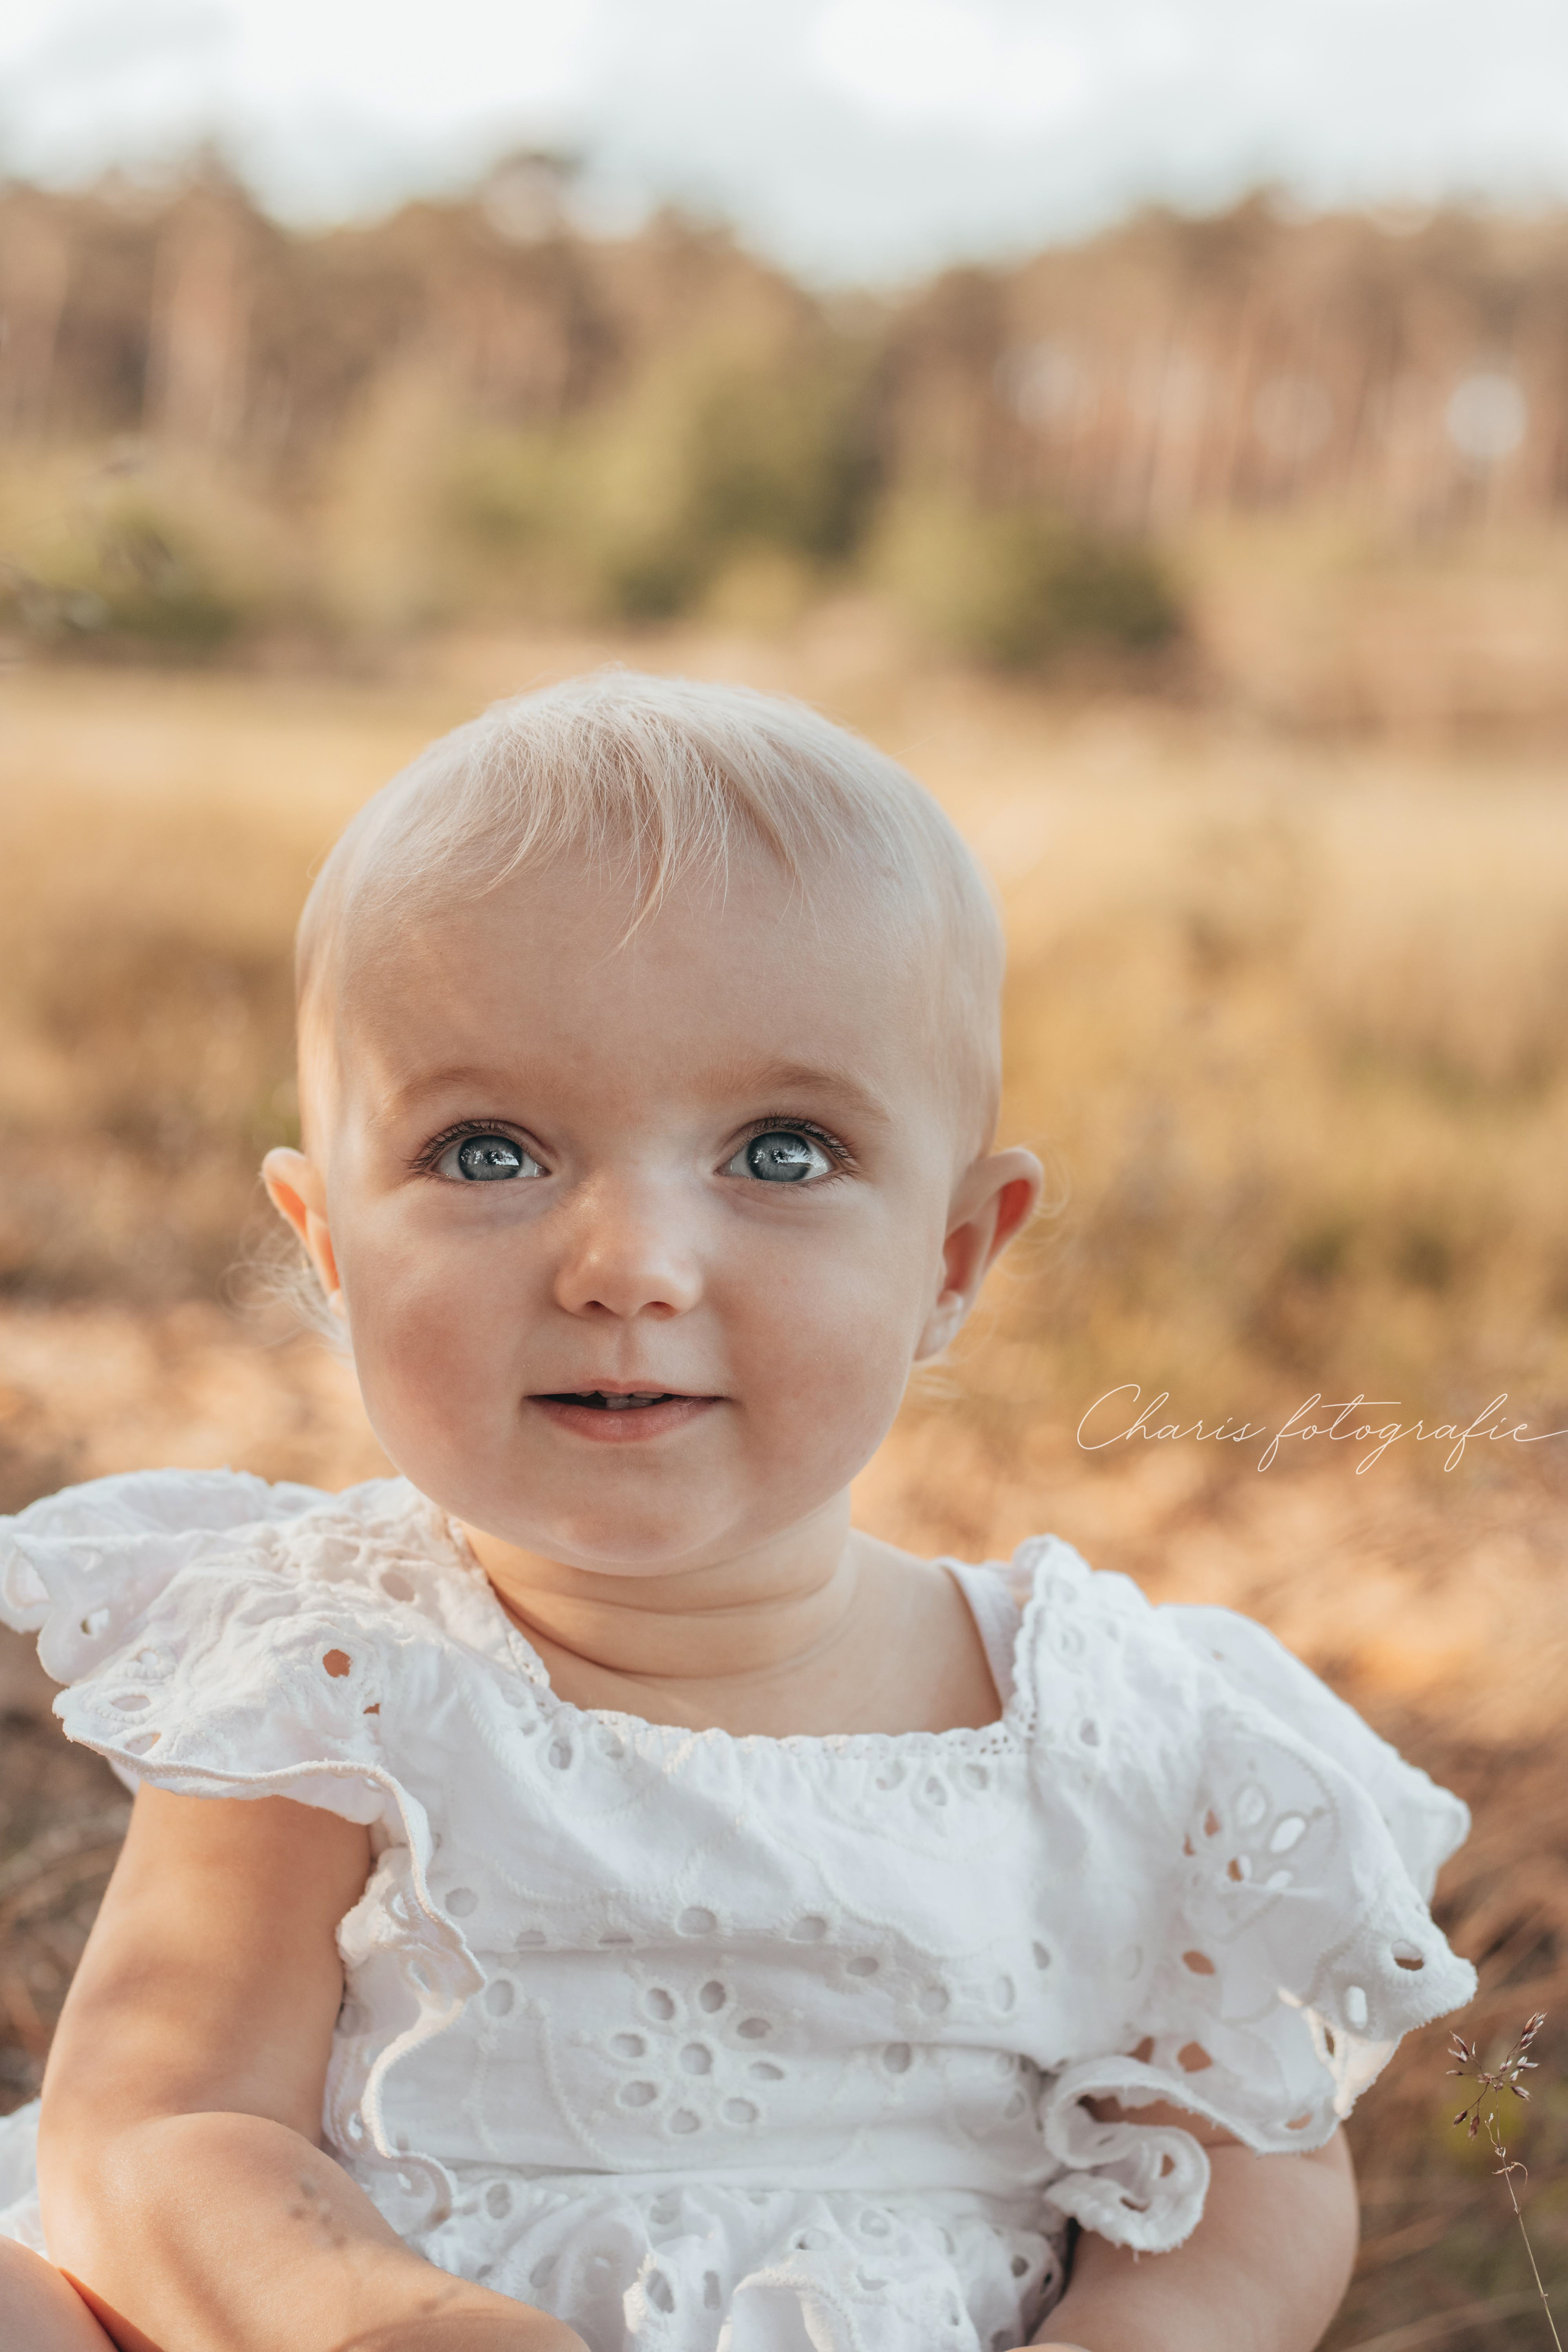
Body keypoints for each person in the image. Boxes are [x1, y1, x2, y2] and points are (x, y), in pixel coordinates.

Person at [0, 673, 1474, 2352]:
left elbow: (1244, 2169)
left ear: (952, 1258)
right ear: (330, 1245)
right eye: (488, 1152)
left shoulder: (1116, 1728)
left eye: (780, 1153)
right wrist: (382, 2323)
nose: (629, 1266)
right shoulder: (334, 1669)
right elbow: (162, 2125)